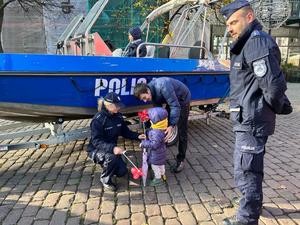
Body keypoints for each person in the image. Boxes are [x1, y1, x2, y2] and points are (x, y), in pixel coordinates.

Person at [220, 1, 293, 225]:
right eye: (228, 24)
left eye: (234, 22)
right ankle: (251, 202)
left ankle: (247, 218)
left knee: (246, 170)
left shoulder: (257, 42)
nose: (230, 28)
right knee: (249, 168)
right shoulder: (248, 43)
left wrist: (276, 107)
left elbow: (272, 86)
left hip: (251, 120)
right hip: (248, 118)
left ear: (249, 17)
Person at [87, 92, 145, 191]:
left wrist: (138, 136)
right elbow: (96, 141)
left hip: (110, 148)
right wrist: (112, 148)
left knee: (122, 172)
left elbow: (125, 132)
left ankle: (108, 164)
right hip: (96, 150)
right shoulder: (98, 120)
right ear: (108, 105)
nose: (119, 108)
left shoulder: (118, 116)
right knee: (111, 157)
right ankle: (105, 180)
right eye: (116, 106)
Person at [134, 77, 191, 173]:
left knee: (182, 131)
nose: (145, 101)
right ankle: (159, 157)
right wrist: (151, 120)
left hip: (182, 99)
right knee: (160, 128)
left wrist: (171, 125)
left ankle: (181, 160)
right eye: (142, 99)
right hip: (172, 100)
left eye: (144, 97)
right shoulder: (151, 93)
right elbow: (158, 111)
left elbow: (175, 106)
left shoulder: (163, 86)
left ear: (147, 91)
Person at [140, 107, 168, 186]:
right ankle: (163, 175)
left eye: (151, 119)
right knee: (161, 165)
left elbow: (154, 144)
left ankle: (158, 179)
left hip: (156, 154)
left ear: (156, 121)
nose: (150, 120)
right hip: (161, 152)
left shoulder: (156, 132)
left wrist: (144, 143)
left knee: (155, 166)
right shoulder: (161, 128)